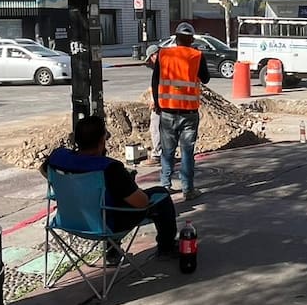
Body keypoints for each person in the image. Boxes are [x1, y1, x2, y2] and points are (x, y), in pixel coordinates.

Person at [40, 115, 179, 260]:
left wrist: (68, 188)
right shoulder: (110, 168)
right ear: (102, 141)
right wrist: (126, 184)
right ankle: (166, 248)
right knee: (161, 195)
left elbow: (43, 170)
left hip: (69, 220)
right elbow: (141, 203)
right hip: (105, 225)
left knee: (109, 198)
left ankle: (113, 253)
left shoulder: (59, 157)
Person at [153, 22, 210, 201]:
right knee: (187, 152)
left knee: (167, 151)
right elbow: (206, 78)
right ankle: (188, 189)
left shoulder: (163, 54)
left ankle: (165, 185)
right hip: (189, 112)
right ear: (191, 39)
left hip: (167, 110)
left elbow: (155, 81)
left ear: (175, 38)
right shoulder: (197, 55)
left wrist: (156, 103)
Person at [143, 44, 162, 166]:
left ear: (154, 55)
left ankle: (157, 156)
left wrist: (154, 100)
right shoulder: (170, 64)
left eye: (150, 58)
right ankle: (166, 154)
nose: (150, 62)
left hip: (161, 103)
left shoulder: (160, 67)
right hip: (172, 102)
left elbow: (157, 86)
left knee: (155, 127)